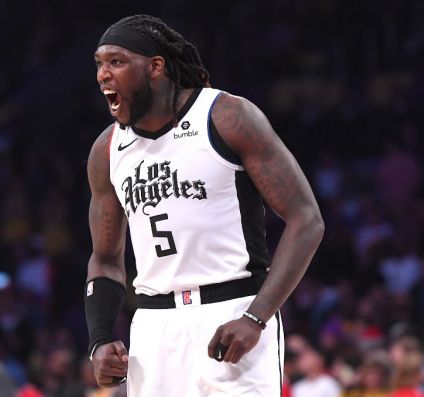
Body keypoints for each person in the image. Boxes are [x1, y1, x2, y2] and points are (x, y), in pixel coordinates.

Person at [84, 14, 325, 396]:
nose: (103, 74)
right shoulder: (107, 149)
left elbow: (306, 219)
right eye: (99, 63)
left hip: (232, 314)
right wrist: (98, 340)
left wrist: (256, 317)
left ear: (156, 67)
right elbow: (105, 259)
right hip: (153, 328)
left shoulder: (225, 116)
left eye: (116, 61)